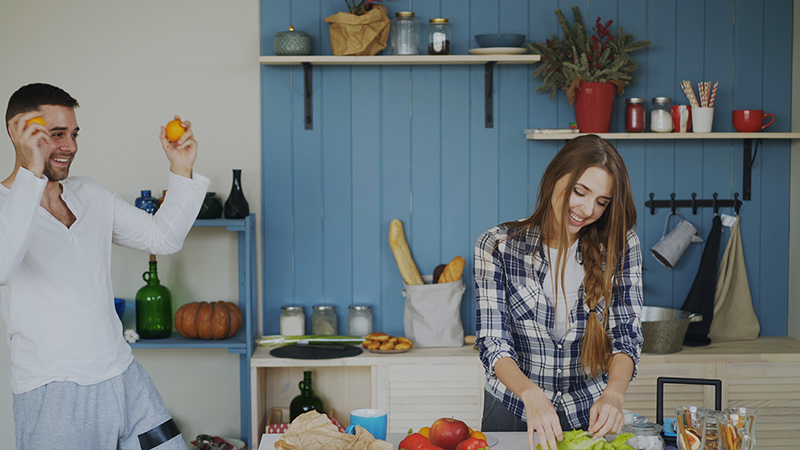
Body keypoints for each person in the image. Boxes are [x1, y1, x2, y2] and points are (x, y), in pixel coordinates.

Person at [1, 83, 210, 449]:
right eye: (57, 135)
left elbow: (162, 239)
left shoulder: (90, 194)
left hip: (123, 376)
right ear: (18, 132)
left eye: (74, 134)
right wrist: (31, 174)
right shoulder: (5, 206)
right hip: (54, 392)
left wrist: (180, 169)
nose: (71, 146)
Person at [474, 134, 643, 450]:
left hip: (588, 414)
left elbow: (626, 336)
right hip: (513, 408)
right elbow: (493, 341)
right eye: (581, 191)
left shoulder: (621, 244)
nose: (587, 209)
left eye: (602, 202)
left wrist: (614, 394)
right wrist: (531, 394)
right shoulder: (498, 245)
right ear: (555, 176)